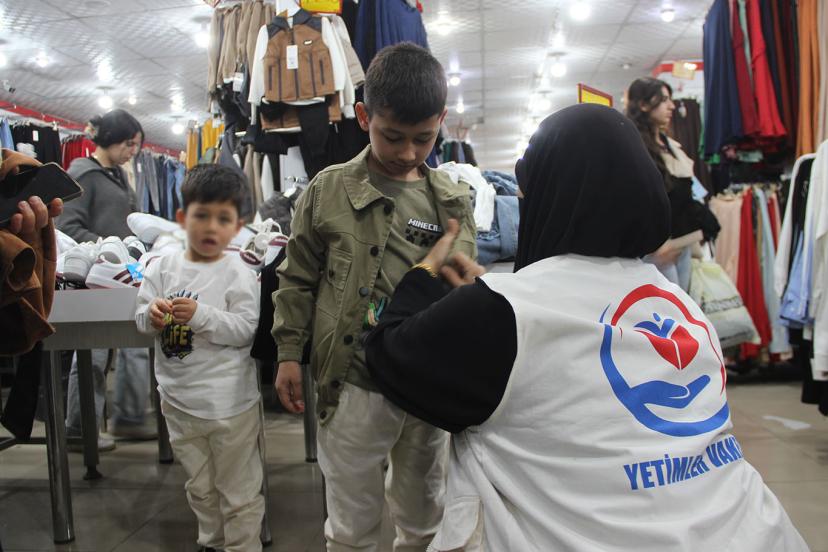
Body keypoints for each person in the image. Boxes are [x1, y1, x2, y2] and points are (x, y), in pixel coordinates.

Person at [363, 104, 807, 551]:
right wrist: (485, 302)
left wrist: (424, 274)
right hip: (756, 532)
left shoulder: (508, 312)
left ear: (548, 197)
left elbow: (389, 353)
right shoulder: (682, 306)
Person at [272, 42, 477, 551]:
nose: (407, 152)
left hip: (424, 386)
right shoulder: (327, 191)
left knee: (424, 515)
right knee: (350, 524)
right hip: (352, 381)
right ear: (364, 117)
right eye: (393, 136)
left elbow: (463, 296)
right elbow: (297, 278)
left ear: (441, 122)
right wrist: (288, 353)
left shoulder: (452, 202)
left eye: (423, 138)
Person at [135, 165, 263, 552]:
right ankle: (211, 541)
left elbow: (246, 330)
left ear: (237, 226)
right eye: (201, 216)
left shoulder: (239, 272)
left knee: (239, 491)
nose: (211, 228)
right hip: (178, 401)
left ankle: (242, 546)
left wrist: (202, 315)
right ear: (182, 218)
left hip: (230, 406)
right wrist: (152, 315)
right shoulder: (161, 267)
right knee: (200, 487)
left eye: (223, 219)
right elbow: (141, 319)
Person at [56, 109, 153, 449]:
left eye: (136, 145)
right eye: (129, 143)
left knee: (130, 347)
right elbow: (67, 226)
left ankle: (127, 419)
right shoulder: (83, 174)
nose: (132, 151)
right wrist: (105, 247)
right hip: (93, 278)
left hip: (121, 275)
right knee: (92, 357)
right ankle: (79, 429)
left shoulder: (116, 175)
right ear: (111, 138)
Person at [625, 77, 719, 291]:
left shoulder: (667, 144)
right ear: (644, 104)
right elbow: (638, 200)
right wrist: (654, 245)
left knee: (683, 300)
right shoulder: (636, 146)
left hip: (681, 242)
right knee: (669, 305)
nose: (671, 106)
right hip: (658, 249)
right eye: (664, 100)